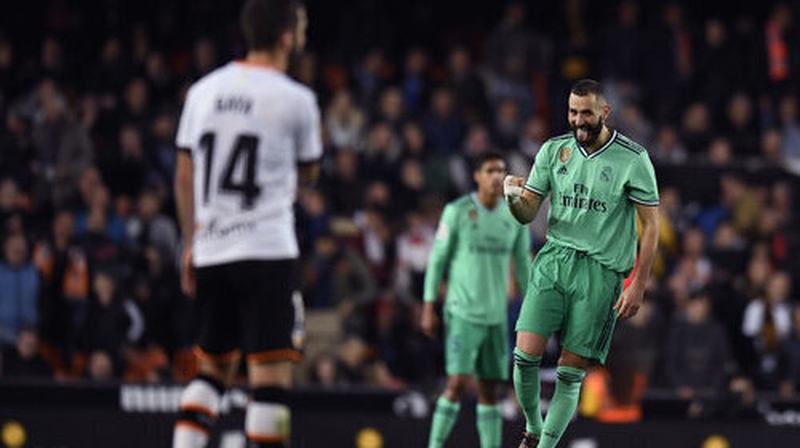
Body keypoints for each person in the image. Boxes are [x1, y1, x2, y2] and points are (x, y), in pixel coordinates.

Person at [171, 1, 322, 447]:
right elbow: (308, 174)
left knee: (212, 371)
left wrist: (189, 243)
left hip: (213, 249)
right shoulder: (296, 99)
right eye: (302, 28)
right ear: (285, 37)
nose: (305, 36)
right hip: (267, 251)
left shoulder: (202, 92)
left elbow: (184, 175)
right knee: (269, 379)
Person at [504, 79, 659, 448]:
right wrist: (512, 197)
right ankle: (532, 427)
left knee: (569, 374)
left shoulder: (633, 158)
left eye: (586, 112)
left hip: (600, 273)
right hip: (554, 259)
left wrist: (638, 283)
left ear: (605, 112)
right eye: (573, 112)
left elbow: (651, 225)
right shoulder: (553, 150)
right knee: (524, 357)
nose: (578, 120)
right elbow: (527, 212)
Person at [421, 151, 531, 448]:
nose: (498, 176)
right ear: (477, 176)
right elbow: (437, 261)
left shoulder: (515, 216)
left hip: (496, 316)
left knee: (490, 389)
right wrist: (429, 306)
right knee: (456, 382)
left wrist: (535, 306)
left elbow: (523, 264)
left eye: (502, 170)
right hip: (462, 312)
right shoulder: (457, 211)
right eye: (490, 170)